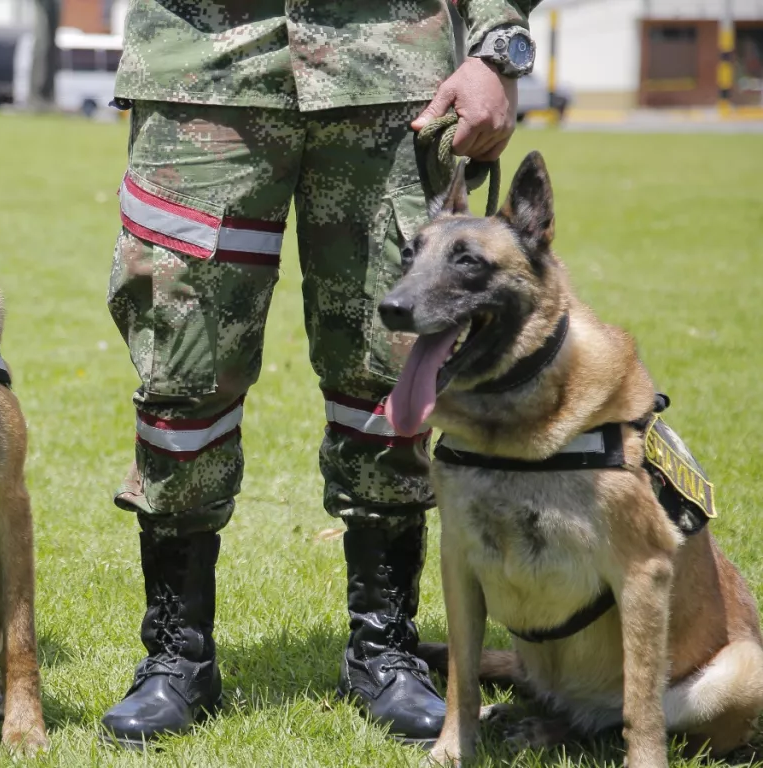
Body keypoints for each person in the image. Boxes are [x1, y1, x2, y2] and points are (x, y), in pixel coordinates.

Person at [100, 0, 538, 748]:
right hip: (204, 67)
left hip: (391, 68)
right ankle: (178, 653)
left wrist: (496, 49)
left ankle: (385, 649)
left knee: (391, 359)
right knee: (182, 371)